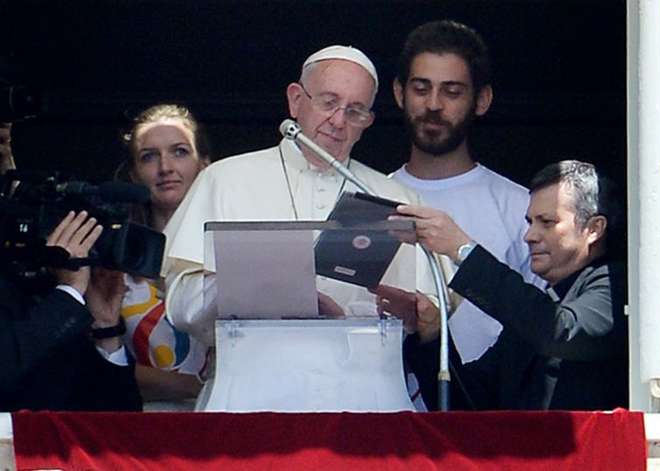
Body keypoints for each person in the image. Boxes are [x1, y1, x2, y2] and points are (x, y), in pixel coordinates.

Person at [163, 45, 431, 356]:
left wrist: (412, 313)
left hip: (361, 381)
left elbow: (427, 314)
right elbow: (182, 302)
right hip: (256, 377)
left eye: (355, 111)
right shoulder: (224, 179)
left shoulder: (395, 198)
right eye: (329, 102)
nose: (338, 121)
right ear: (296, 99)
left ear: (368, 121)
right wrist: (260, 293)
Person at [395, 160, 628, 410]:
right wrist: (431, 332)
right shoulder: (535, 312)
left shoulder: (618, 285)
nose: (529, 236)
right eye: (530, 222)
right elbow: (470, 405)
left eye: (546, 222)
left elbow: (561, 332)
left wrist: (463, 251)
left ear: (593, 229)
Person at [389, 20, 544, 370]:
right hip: (387, 414)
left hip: (489, 416)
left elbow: (543, 325)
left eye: (452, 91)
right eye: (421, 88)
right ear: (399, 93)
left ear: (482, 100)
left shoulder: (521, 208)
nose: (433, 104)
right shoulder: (371, 199)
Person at [117, 104, 210, 409]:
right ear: (134, 176)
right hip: (143, 433)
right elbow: (101, 366)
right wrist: (201, 385)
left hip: (223, 425)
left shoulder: (230, 252)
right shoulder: (116, 261)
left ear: (205, 166)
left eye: (180, 152)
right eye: (149, 156)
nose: (165, 167)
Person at [0, 210, 141, 411]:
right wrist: (70, 291)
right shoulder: (62, 303)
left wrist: (106, 328)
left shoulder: (57, 302)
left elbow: (120, 419)